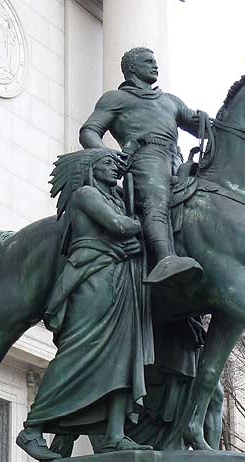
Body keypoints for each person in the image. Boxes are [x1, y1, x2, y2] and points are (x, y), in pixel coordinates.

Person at [16, 149, 155, 461]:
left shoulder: (117, 198)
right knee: (76, 352)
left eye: (116, 165)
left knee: (124, 355)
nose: (115, 169)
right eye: (108, 164)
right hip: (92, 278)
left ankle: (116, 434)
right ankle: (33, 428)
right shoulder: (86, 194)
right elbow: (119, 226)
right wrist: (148, 218)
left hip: (121, 280)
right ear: (91, 169)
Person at [80, 47, 205, 287]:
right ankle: (164, 260)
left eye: (155, 61)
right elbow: (89, 131)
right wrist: (109, 155)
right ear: (132, 68)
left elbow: (194, 123)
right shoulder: (115, 99)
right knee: (155, 201)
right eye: (148, 61)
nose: (155, 65)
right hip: (144, 157)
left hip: (175, 159)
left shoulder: (170, 101)